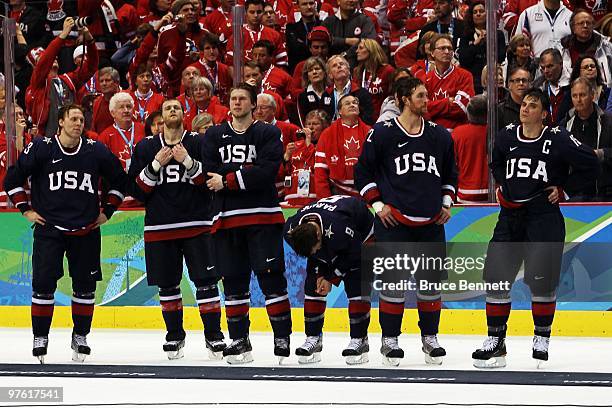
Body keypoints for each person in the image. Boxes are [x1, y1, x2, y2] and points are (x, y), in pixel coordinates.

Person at [472, 88, 599, 369]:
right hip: (510, 216)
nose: (525, 108)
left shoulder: (558, 139)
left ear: (544, 114)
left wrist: (564, 190)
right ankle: (496, 341)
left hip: (544, 217)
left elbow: (590, 163)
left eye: (533, 105)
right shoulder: (506, 135)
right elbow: (495, 161)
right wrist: (502, 184)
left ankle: (542, 336)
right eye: (524, 104)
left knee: (542, 280)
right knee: (495, 276)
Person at [3, 104, 127, 364]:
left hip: (85, 229)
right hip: (50, 229)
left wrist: (109, 211)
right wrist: (25, 209)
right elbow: (12, 179)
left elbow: (120, 181)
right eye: (73, 118)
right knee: (43, 285)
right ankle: (40, 337)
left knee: (85, 287)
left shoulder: (95, 150)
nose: (78, 123)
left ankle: (80, 336)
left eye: (82, 119)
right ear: (60, 122)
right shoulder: (41, 147)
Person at [354, 76, 457, 366]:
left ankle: (430, 338)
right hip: (393, 223)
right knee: (393, 284)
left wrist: (447, 202)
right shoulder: (383, 133)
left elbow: (451, 174)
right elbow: (362, 173)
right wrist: (377, 204)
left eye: (427, 95)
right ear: (403, 99)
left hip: (431, 224)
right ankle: (390, 340)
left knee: (430, 285)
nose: (427, 100)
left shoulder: (440, 135)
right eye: (421, 96)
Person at [127, 99, 226, 360]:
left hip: (197, 225)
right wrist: (155, 165)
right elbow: (137, 191)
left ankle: (213, 335)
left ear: (185, 114)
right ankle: (174, 335)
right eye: (168, 108)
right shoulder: (146, 147)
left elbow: (211, 182)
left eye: (177, 108)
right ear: (160, 116)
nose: (173, 111)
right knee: (168, 285)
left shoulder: (200, 143)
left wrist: (188, 162)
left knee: (206, 283)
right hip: (160, 227)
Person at [202, 83, 292, 364]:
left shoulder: (268, 132)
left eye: (242, 99)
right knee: (233, 284)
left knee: (271, 279)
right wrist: (240, 176)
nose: (237, 103)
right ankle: (240, 340)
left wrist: (228, 180)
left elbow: (267, 171)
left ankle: (282, 335)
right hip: (227, 220)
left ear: (254, 105)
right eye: (233, 98)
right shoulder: (215, 134)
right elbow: (209, 172)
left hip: (262, 218)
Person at [284, 195, 374, 364]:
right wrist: (321, 274)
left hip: (362, 233)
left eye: (315, 248)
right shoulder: (289, 229)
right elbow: (313, 253)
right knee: (313, 284)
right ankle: (313, 338)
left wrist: (332, 277)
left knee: (356, 283)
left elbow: (355, 253)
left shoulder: (339, 227)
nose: (314, 252)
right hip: (330, 233)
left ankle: (360, 339)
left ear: (318, 235)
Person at [26, 17, 98, 137]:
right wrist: (63, 35)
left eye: (55, 57)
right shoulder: (37, 85)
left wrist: (89, 40)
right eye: (46, 58)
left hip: (73, 138)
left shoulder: (68, 79)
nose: (52, 58)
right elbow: (46, 60)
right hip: (49, 141)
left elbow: (91, 66)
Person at [561, 78, 612, 201]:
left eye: (582, 95)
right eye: (575, 96)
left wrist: (600, 154)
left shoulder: (609, 122)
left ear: (592, 95)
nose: (578, 100)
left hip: (605, 193)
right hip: (575, 195)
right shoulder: (564, 125)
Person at [315, 95, 371, 198]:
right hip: (337, 193)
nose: (352, 105)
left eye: (355, 103)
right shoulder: (327, 134)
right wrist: (324, 199)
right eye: (347, 103)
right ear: (339, 111)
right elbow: (320, 171)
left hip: (367, 191)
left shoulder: (370, 132)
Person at [415, 34, 474, 131]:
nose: (447, 52)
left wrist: (433, 106)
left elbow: (462, 108)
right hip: (431, 133)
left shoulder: (465, 76)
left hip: (456, 133)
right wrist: (447, 102)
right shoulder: (425, 79)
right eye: (442, 48)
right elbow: (422, 109)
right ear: (432, 53)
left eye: (449, 48)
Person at [456, 1, 506, 94]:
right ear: (471, 16)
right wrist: (476, 43)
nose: (478, 14)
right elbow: (463, 59)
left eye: (481, 11)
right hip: (472, 81)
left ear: (487, 14)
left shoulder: (497, 34)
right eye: (475, 12)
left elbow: (501, 56)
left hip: (492, 80)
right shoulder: (466, 35)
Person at [451, 95, 489, 203]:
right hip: (491, 192)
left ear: (468, 113)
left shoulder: (457, 133)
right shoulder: (493, 131)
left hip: (465, 193)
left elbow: (452, 165)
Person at [560, 9, 612, 87]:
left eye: (588, 23)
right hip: (573, 93)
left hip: (602, 93)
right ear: (573, 28)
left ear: (593, 26)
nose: (585, 26)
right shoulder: (562, 48)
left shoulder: (606, 46)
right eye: (581, 23)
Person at [322, 0, 377, 65]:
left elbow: (369, 43)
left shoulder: (365, 20)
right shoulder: (329, 22)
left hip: (358, 67)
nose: (351, 0)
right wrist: (346, 41)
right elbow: (322, 41)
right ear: (338, 1)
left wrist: (345, 54)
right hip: (332, 67)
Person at [352, 39, 395, 117]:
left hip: (381, 118)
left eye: (361, 48)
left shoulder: (388, 70)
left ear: (371, 50)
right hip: (361, 119)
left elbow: (392, 97)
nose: (357, 51)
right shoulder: (357, 72)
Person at [285, 0, 323, 72]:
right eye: (304, 4)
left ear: (315, 5)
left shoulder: (323, 25)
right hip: (299, 71)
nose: (309, 7)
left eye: (311, 3)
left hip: (321, 69)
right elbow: (295, 49)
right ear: (298, 8)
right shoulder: (291, 28)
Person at [536, 48, 568, 125]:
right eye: (543, 68)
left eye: (550, 66)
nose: (546, 71)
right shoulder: (539, 87)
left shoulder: (573, 85)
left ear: (561, 64)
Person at [297, 57, 329, 127]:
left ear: (324, 72)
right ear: (307, 76)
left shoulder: (331, 92)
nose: (314, 72)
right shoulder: (303, 96)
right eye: (310, 70)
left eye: (317, 69)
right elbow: (302, 120)